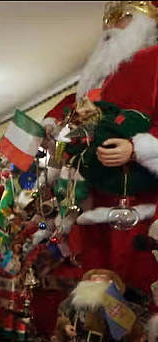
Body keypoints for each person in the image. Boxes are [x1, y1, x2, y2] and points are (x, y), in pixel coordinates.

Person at [42, 1, 158, 295]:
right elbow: (76, 112)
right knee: (95, 293)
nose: (110, 25)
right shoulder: (99, 77)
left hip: (139, 202)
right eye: (108, 17)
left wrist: (136, 148)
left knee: (137, 286)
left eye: (123, 16)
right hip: (94, 199)